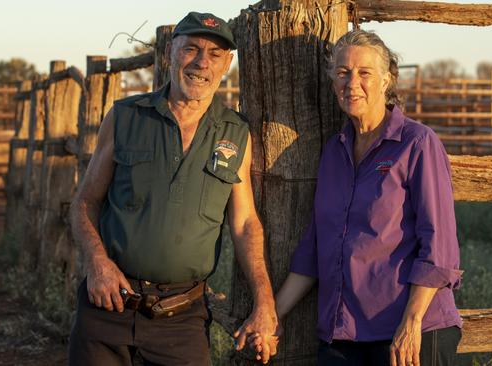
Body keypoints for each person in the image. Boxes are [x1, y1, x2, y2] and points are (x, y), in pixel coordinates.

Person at [68, 11, 277, 366]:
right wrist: (97, 263)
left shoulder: (235, 132)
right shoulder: (125, 117)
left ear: (227, 64)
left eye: (214, 54)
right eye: (191, 49)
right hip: (107, 306)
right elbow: (84, 202)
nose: (201, 63)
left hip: (181, 319)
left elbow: (244, 224)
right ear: (170, 54)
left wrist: (265, 301)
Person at [247, 29, 463, 365]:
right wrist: (271, 319)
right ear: (332, 81)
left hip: (408, 333)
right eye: (343, 73)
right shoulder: (335, 150)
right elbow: (315, 248)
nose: (352, 83)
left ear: (386, 80)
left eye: (365, 73)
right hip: (343, 335)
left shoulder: (417, 143)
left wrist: (412, 322)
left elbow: (440, 246)